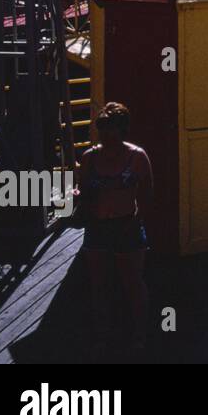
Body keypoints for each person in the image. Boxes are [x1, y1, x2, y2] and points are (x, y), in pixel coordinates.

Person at [77, 102, 153, 354]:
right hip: (98, 227)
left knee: (133, 282)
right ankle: (102, 336)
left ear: (122, 130)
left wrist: (136, 219)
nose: (106, 136)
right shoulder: (89, 158)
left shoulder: (138, 157)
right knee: (99, 285)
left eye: (112, 130)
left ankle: (140, 335)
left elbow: (147, 192)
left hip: (127, 226)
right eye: (103, 130)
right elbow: (84, 190)